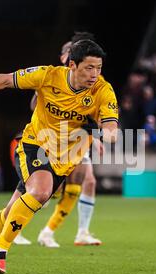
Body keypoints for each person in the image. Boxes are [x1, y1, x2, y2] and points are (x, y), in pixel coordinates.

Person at [0, 39, 118, 274]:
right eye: (89, 68)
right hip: (35, 145)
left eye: (99, 68)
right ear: (72, 65)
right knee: (40, 192)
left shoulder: (103, 90)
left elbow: (112, 130)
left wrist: (102, 132)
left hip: (64, 161)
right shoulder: (48, 75)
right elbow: (3, 80)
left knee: (12, 212)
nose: (95, 74)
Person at [36, 32, 104, 248]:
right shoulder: (52, 78)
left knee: (88, 181)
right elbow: (34, 106)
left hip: (78, 141)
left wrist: (96, 135)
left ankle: (66, 232)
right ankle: (15, 226)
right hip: (52, 139)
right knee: (45, 191)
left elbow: (97, 112)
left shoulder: (93, 82)